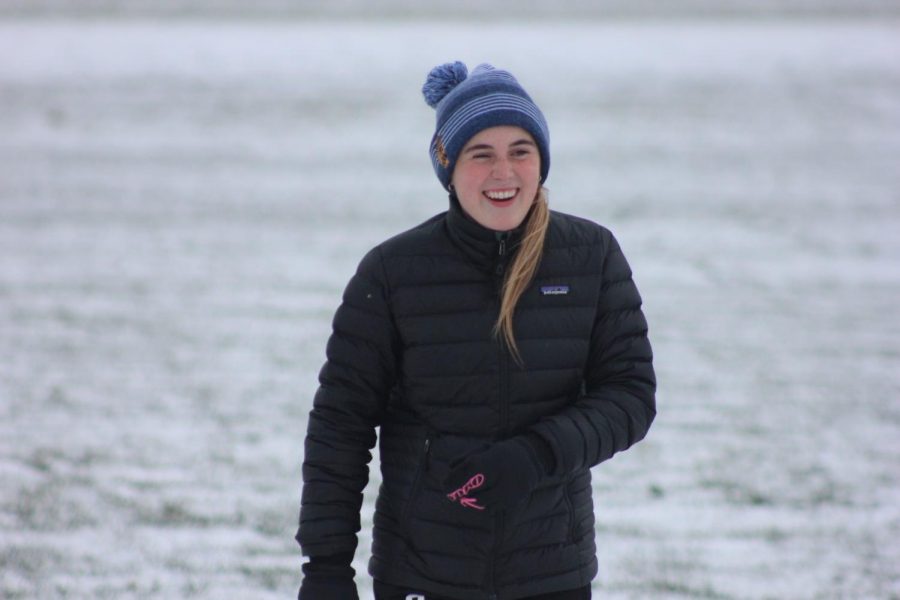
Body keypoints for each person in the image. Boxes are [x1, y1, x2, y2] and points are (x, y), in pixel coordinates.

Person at [296, 61, 656, 600]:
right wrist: (325, 566)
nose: (503, 173)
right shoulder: (393, 272)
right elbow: (340, 426)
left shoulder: (591, 256)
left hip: (552, 570)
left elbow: (630, 396)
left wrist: (536, 455)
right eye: (480, 154)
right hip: (422, 572)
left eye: (520, 151)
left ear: (542, 162)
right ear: (448, 166)